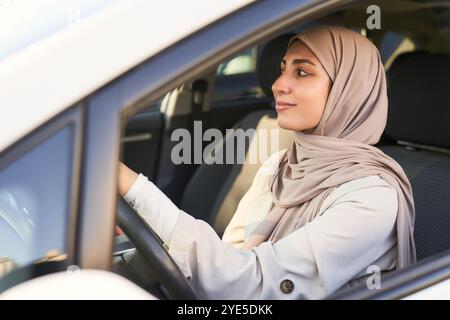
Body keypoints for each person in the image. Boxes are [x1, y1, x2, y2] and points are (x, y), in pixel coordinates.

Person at [117, 25, 416, 299]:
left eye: (302, 73)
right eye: (282, 69)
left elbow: (252, 285)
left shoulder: (372, 199)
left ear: (347, 91)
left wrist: (130, 186)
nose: (277, 85)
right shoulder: (279, 165)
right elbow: (230, 256)